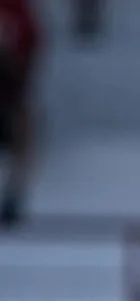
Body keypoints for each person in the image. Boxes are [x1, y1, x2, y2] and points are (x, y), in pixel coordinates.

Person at [0, 0, 40, 229]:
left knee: (24, 127)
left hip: (10, 98)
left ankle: (13, 198)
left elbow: (31, 53)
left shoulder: (20, 11)